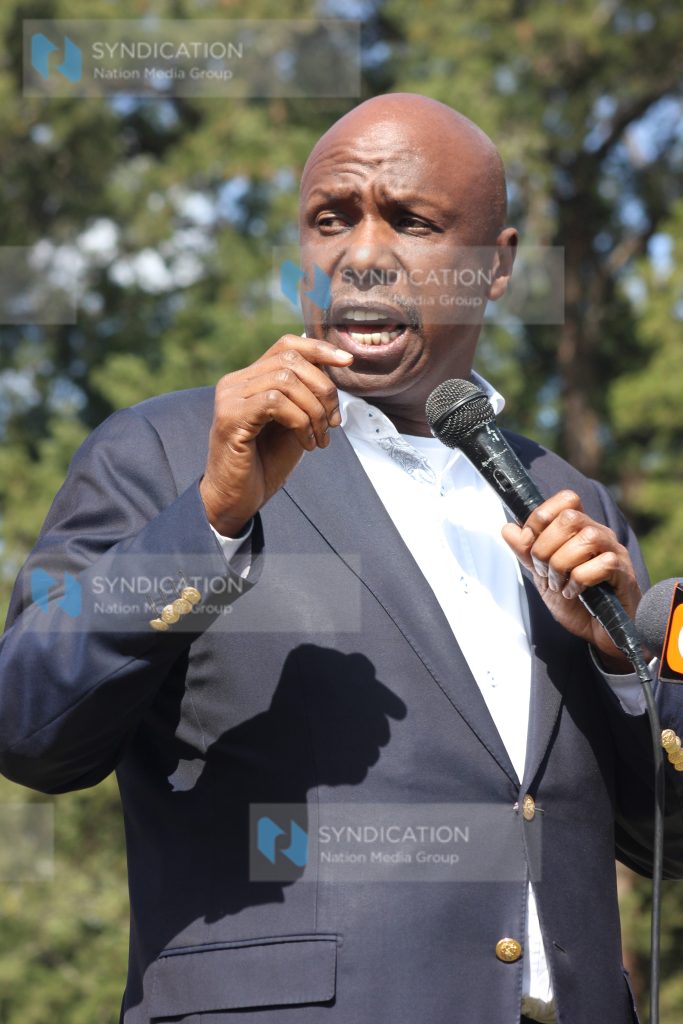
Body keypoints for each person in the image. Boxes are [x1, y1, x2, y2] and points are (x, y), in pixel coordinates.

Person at [1, 92, 682, 1024]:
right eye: (332, 219)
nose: (361, 254)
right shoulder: (168, 451)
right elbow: (29, 728)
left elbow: (663, 842)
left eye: (410, 221)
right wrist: (209, 522)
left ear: (496, 266)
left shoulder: (569, 498)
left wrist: (621, 660)